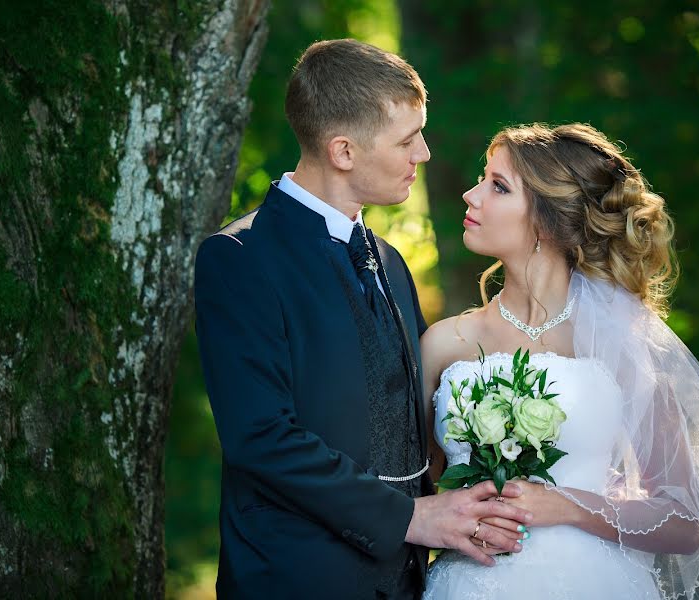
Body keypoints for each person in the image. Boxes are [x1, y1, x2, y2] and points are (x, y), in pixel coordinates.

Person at [193, 39, 533, 600]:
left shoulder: (390, 261)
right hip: (296, 579)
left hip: (407, 580)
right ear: (344, 151)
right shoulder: (240, 258)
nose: (422, 153)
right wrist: (411, 520)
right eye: (407, 140)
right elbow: (261, 437)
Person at [421, 123, 699, 599]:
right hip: (467, 583)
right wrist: (461, 515)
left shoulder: (623, 347)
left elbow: (686, 522)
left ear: (547, 220)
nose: (470, 194)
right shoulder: (445, 344)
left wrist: (567, 505)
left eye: (497, 186)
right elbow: (415, 492)